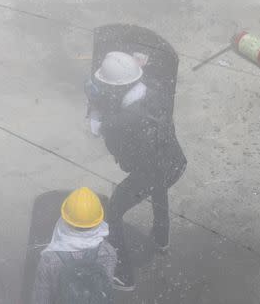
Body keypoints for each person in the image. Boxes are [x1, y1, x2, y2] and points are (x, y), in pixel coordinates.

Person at [86, 51, 186, 291]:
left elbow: (99, 130)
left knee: (113, 212)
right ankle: (162, 238)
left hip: (150, 172)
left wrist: (96, 112)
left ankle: (123, 274)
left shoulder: (120, 122)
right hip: (174, 161)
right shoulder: (154, 88)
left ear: (118, 88)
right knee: (160, 190)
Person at [32, 187, 117, 304]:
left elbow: (41, 299)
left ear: (65, 221)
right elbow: (105, 292)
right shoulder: (108, 252)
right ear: (98, 222)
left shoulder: (49, 259)